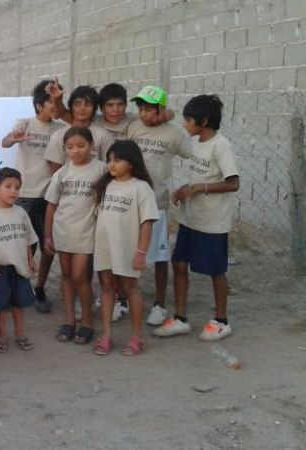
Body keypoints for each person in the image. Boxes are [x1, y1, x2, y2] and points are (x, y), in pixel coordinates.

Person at [154, 95, 240, 341]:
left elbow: (233, 183)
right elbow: (200, 179)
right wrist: (185, 189)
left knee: (215, 270)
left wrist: (199, 188)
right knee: (179, 263)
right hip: (190, 219)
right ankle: (180, 318)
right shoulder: (195, 145)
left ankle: (221, 320)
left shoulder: (221, 145)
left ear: (203, 120)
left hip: (212, 221)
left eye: (188, 120)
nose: (184, 125)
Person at [126, 85, 194, 326]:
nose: (145, 114)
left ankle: (159, 304)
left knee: (160, 255)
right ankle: (123, 299)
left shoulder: (174, 134)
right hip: (130, 202)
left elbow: (194, 156)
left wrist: (191, 186)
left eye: (150, 109)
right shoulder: (133, 128)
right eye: (141, 108)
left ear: (161, 109)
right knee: (127, 251)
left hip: (158, 204)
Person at [1, 80, 65, 313]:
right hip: (25, 194)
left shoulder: (60, 129)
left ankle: (39, 288)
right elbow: (5, 142)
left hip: (48, 195)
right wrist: (12, 139)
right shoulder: (25, 124)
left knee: (48, 244)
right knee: (23, 245)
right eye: (49, 101)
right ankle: (19, 287)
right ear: (39, 105)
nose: (54, 105)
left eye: (56, 100)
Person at [92, 141, 159, 356]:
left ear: (131, 163)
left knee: (130, 288)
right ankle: (107, 335)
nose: (111, 164)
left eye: (117, 160)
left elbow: (147, 222)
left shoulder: (141, 187)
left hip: (128, 248)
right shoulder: (106, 186)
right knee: (107, 287)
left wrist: (141, 252)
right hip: (105, 247)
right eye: (109, 160)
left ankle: (137, 336)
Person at [43, 127, 107, 345]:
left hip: (87, 231)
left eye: (81, 145)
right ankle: (69, 321)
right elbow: (51, 207)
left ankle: (87, 321)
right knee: (67, 275)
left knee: (80, 276)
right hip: (63, 231)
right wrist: (48, 237)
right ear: (65, 150)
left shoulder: (102, 170)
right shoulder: (62, 173)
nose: (76, 151)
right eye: (70, 147)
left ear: (92, 147)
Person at [0, 167, 38, 353]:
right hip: (1, 269)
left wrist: (30, 259)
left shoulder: (21, 213)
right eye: (8, 186)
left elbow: (28, 239)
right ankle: (2, 336)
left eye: (17, 187)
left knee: (19, 304)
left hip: (20, 268)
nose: (13, 191)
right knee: (2, 305)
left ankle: (20, 334)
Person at [45, 85, 115, 171]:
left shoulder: (104, 135)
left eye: (88, 104)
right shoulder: (58, 135)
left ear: (94, 108)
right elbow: (55, 168)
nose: (82, 108)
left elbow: (109, 165)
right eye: (77, 104)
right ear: (71, 107)